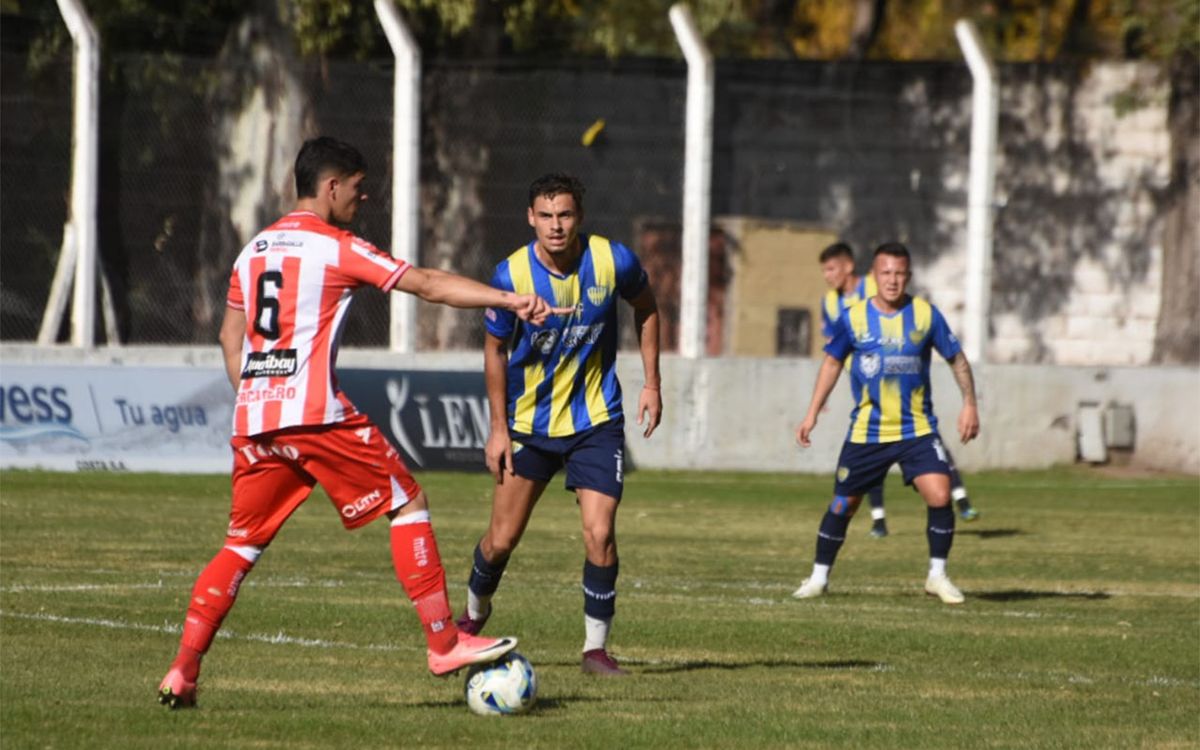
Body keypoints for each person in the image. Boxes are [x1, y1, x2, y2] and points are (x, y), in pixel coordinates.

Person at [157, 137, 568, 709]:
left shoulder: (252, 251)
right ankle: (444, 642)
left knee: (240, 545)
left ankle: (182, 671)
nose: (363, 195)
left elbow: (231, 338)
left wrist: (259, 396)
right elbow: (423, 283)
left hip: (255, 420)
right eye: (357, 186)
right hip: (315, 413)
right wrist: (508, 300)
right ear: (331, 187)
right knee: (409, 501)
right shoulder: (334, 246)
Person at [456, 173, 662, 676]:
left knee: (600, 533)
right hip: (529, 425)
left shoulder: (614, 261)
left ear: (580, 218)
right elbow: (494, 350)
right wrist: (498, 428)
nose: (555, 226)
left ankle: (595, 650)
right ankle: (472, 618)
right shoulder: (510, 276)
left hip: (596, 420)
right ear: (531, 218)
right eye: (546, 216)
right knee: (500, 540)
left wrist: (652, 382)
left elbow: (647, 308)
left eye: (565, 215)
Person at [793, 242, 980, 604]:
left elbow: (957, 359)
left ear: (908, 276)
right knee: (843, 505)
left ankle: (937, 576)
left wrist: (970, 404)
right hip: (869, 430)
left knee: (940, 494)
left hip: (917, 429)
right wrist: (813, 412)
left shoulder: (926, 315)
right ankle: (818, 577)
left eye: (899, 273)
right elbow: (832, 362)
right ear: (874, 276)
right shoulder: (854, 317)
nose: (893, 281)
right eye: (886, 273)